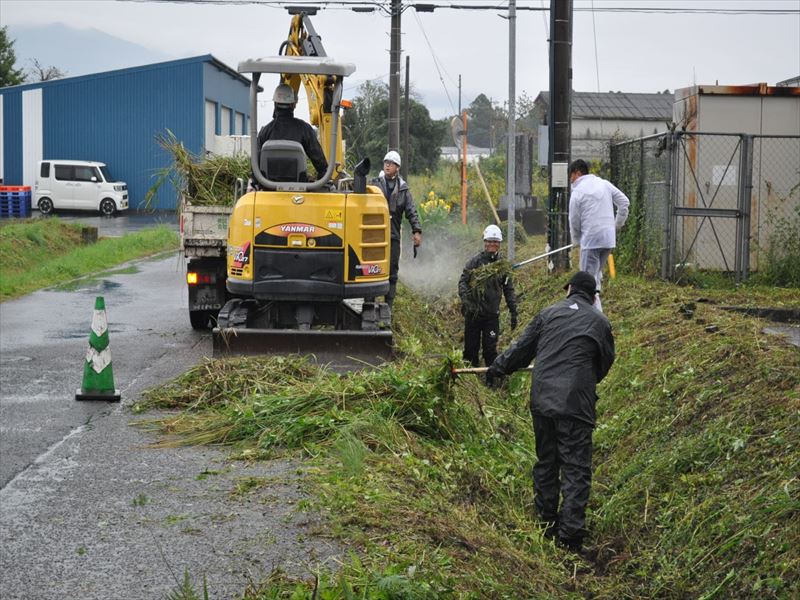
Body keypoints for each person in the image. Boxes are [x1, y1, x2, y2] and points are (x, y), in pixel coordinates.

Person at [485, 271, 615, 553]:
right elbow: (604, 364)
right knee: (576, 467)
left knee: (547, 460)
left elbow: (521, 350)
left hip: (543, 400)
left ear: (569, 290)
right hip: (576, 404)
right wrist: (584, 379)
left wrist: (498, 367)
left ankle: (546, 521)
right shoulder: (600, 323)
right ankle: (570, 536)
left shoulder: (548, 314)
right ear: (593, 298)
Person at [568, 159, 629, 312]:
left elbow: (574, 220)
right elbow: (624, 203)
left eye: (571, 177)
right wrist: (616, 226)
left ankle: (594, 316)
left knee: (586, 284)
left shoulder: (578, 191)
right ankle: (593, 314)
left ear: (577, 172)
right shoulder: (604, 183)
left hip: (591, 240)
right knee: (594, 277)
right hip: (608, 240)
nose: (571, 181)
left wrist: (576, 240)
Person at [458, 224, 518, 369]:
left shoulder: (502, 266)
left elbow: (508, 289)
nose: (492, 244)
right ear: (485, 242)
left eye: (495, 241)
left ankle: (490, 379)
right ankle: (470, 380)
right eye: (489, 241)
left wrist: (513, 311)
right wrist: (467, 302)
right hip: (473, 314)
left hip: (491, 316)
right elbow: (462, 282)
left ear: (499, 244)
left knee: (490, 350)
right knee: (470, 350)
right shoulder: (475, 262)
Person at [251, 83, 328, 186]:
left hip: (268, 189)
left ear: (275, 104)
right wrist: (322, 177)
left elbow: (255, 165)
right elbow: (320, 164)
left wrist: (256, 183)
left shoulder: (265, 131)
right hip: (299, 190)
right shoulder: (304, 129)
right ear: (293, 104)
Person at [373, 150, 422, 307]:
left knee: (392, 270)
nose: (388, 165)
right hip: (373, 235)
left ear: (398, 167)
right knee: (371, 269)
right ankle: (369, 303)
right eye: (386, 162)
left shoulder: (403, 189)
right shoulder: (374, 184)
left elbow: (411, 211)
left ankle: (388, 305)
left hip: (393, 235)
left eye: (391, 163)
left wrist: (417, 231)